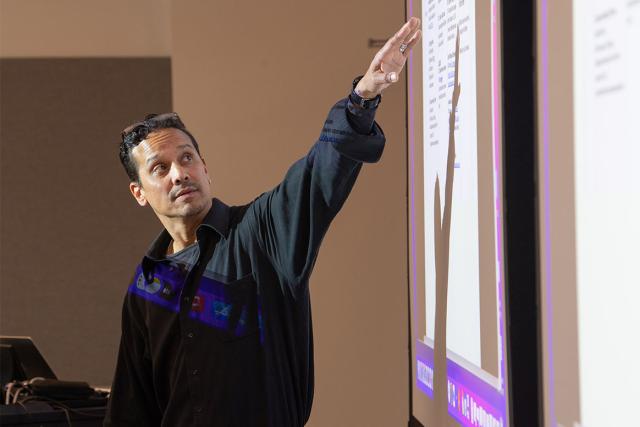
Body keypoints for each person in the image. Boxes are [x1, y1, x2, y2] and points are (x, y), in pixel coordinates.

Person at [104, 17, 421, 427]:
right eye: (159, 168)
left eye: (186, 158)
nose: (179, 174)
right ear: (140, 193)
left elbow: (316, 176)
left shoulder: (260, 234)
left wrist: (361, 99)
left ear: (205, 167)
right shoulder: (147, 286)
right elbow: (133, 405)